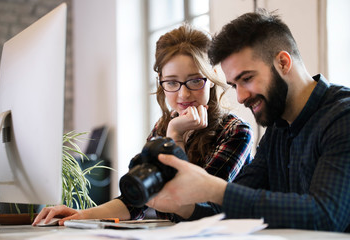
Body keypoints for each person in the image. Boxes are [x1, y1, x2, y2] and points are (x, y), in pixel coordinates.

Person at [146, 9, 350, 232]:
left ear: (282, 62)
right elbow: (233, 207)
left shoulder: (342, 117)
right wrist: (183, 207)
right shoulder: (276, 130)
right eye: (234, 85)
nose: (241, 97)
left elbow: (326, 215)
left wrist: (215, 189)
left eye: (247, 79)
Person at [32, 24, 253, 226]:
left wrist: (175, 136)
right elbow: (136, 202)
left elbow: (195, 204)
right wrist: (80, 215)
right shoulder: (163, 127)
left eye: (195, 80)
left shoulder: (236, 132)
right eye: (172, 82)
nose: (184, 93)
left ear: (212, 77)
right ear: (161, 82)